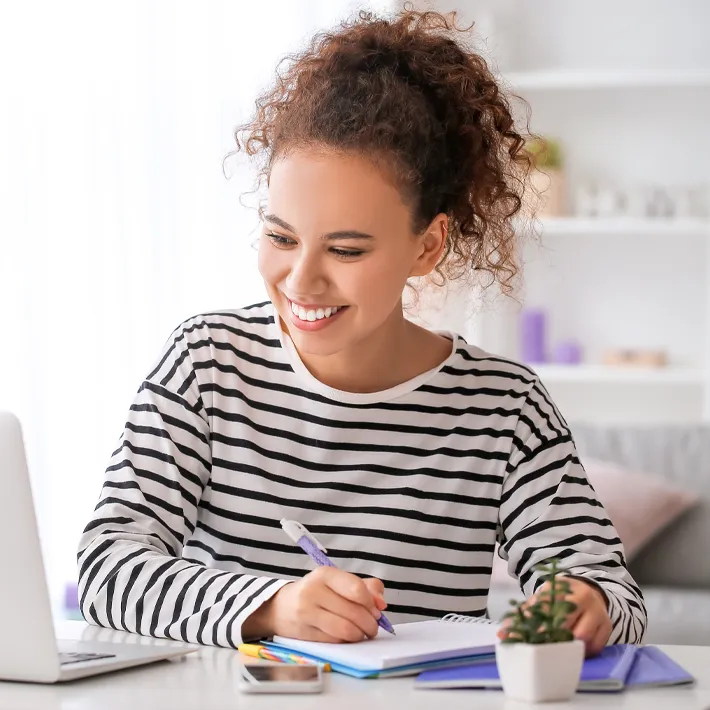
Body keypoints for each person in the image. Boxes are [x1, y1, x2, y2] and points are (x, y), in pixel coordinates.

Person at [77, 7, 646, 655]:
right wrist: (271, 605)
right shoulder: (207, 364)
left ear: (427, 247)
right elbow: (106, 567)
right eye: (280, 237)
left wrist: (583, 600)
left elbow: (610, 587)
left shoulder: (504, 407)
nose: (301, 280)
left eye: (346, 250)